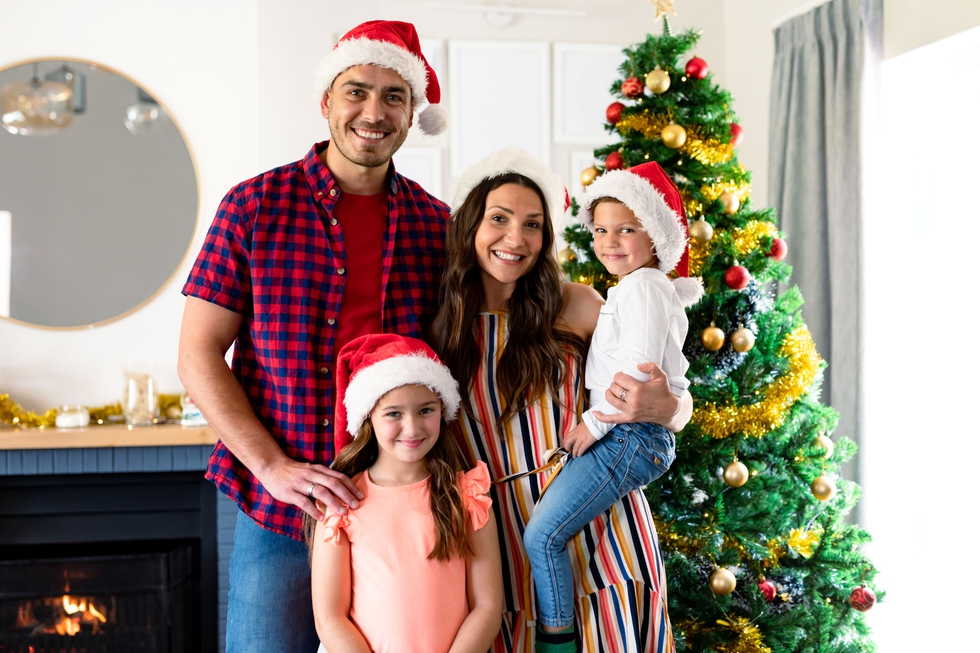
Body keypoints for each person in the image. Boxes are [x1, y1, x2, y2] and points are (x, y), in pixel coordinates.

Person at [177, 20, 450, 652]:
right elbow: (197, 354)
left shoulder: (437, 226)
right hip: (285, 507)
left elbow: (485, 341)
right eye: (357, 91)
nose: (373, 112)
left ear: (412, 115)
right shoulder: (252, 206)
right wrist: (272, 467)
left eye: (394, 97)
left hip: (401, 501)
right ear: (326, 101)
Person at [432, 147, 691, 653]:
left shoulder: (578, 305)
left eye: (533, 224)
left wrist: (671, 411)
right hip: (498, 544)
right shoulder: (440, 326)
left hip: (603, 531)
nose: (516, 238)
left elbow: (667, 390)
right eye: (499, 219)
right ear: (469, 227)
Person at [521, 161, 704, 647]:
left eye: (627, 229)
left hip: (628, 435)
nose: (610, 241)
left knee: (542, 537)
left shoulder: (643, 286)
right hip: (626, 434)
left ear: (656, 237)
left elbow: (639, 376)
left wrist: (592, 424)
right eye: (601, 229)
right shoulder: (631, 289)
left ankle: (555, 642)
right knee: (543, 536)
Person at [308, 333, 503, 653]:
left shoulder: (468, 497)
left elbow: (487, 606)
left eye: (426, 410)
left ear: (443, 410)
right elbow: (330, 617)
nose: (412, 429)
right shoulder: (341, 504)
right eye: (394, 413)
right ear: (369, 416)